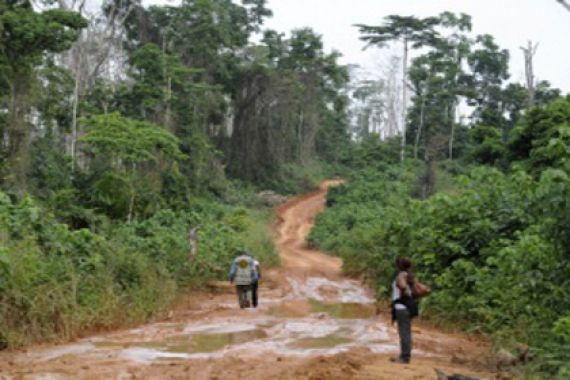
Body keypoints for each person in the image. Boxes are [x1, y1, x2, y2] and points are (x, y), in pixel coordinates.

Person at [390, 257, 419, 364]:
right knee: (405, 332)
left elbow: (402, 286)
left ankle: (405, 357)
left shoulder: (401, 275)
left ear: (399, 266)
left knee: (404, 333)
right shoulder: (410, 276)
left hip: (402, 307)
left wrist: (403, 294)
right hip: (408, 307)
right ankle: (404, 355)